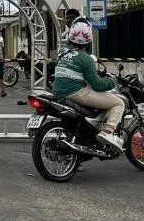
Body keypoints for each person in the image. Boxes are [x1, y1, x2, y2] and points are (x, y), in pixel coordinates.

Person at [52, 20, 125, 152]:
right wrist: (113, 81)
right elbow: (97, 85)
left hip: (58, 92)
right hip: (76, 93)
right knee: (118, 103)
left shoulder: (62, 53)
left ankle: (94, 125)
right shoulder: (86, 59)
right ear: (89, 40)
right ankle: (107, 132)